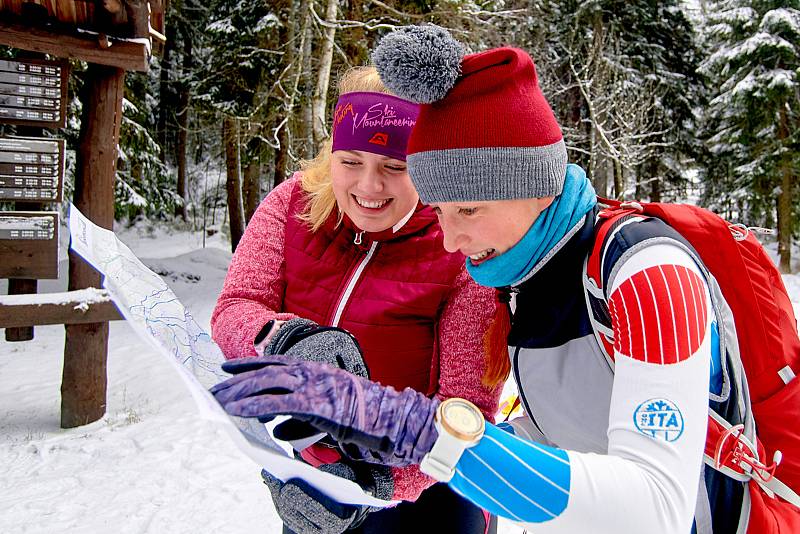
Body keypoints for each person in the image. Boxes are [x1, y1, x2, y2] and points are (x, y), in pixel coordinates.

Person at [209, 26, 799, 533]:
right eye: (438, 212)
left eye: (466, 210)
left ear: (535, 184)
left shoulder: (647, 274)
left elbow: (656, 508)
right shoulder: (520, 267)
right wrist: (368, 479)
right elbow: (558, 436)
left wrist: (406, 425)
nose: (447, 239)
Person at [210, 65, 504, 534]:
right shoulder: (293, 206)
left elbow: (465, 412)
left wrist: (375, 483)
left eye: (394, 166)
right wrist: (284, 339)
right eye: (350, 161)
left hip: (429, 494)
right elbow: (236, 307)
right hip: (316, 477)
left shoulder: (461, 243)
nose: (369, 186)